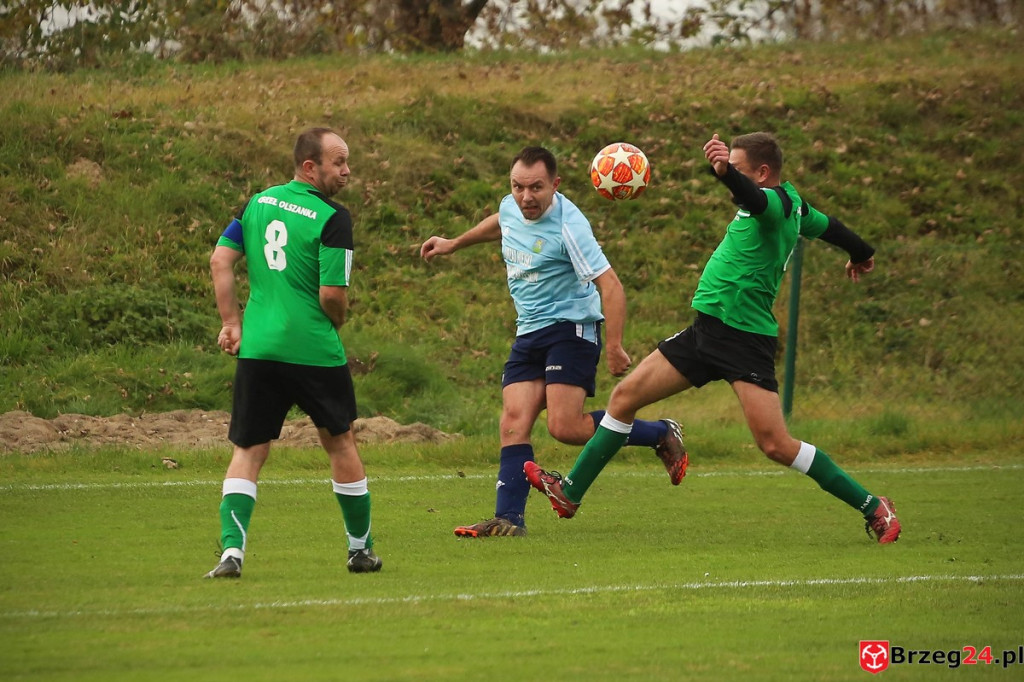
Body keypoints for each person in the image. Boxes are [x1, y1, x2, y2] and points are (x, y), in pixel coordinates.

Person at [526, 132, 902, 544]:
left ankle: (873, 506)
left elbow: (757, 199)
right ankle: (571, 493)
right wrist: (861, 253)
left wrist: (726, 173)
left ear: (762, 173)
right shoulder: (795, 208)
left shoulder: (776, 204)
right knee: (624, 398)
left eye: (739, 170)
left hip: (744, 342)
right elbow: (833, 227)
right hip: (706, 332)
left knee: (775, 444)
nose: (730, 179)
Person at [420, 146, 687, 538]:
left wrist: (614, 345)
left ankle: (660, 432)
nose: (525, 197)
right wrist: (455, 242)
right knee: (513, 423)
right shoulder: (512, 206)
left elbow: (610, 286)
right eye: (517, 187)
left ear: (555, 185)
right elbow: (501, 222)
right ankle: (509, 519)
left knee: (566, 427)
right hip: (528, 330)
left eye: (536, 188)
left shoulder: (569, 226)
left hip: (571, 329)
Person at [205, 127, 382, 578]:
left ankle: (231, 554)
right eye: (338, 163)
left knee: (248, 450)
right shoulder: (333, 217)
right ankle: (360, 551)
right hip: (313, 350)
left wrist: (231, 322)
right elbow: (331, 295)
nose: (347, 171)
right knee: (339, 441)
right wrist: (338, 321)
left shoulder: (256, 204)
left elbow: (220, 261)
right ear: (310, 166)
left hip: (260, 350)